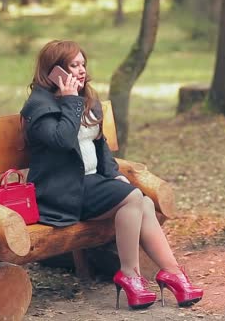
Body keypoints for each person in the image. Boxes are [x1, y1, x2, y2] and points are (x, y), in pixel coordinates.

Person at [20, 40, 203, 310]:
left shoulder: (86, 98)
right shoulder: (39, 106)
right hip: (60, 192)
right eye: (74, 65)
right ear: (54, 71)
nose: (81, 71)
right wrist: (70, 100)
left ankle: (172, 272)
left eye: (83, 64)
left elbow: (99, 144)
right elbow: (63, 140)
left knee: (143, 202)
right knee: (133, 198)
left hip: (91, 185)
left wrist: (113, 174)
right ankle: (129, 275)